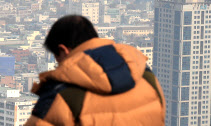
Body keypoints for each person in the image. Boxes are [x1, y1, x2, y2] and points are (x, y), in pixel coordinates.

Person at [24, 15, 165, 126]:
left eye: (57, 57)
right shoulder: (145, 75)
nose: (58, 64)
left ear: (63, 50)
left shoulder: (61, 95)